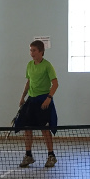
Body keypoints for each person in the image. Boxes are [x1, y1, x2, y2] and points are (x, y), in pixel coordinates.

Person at [14, 40, 59, 168]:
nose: (31, 53)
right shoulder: (29, 65)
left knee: (45, 129)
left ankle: (51, 156)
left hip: (43, 100)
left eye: (34, 50)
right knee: (27, 128)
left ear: (41, 51)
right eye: (30, 50)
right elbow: (29, 82)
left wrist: (49, 98)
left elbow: (55, 84)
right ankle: (28, 155)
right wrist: (23, 97)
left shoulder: (47, 65)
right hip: (31, 100)